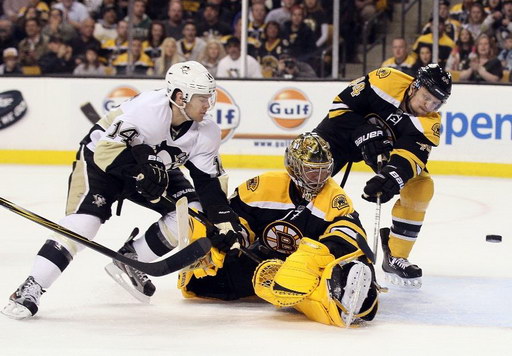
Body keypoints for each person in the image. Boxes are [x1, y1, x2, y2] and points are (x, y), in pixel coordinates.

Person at [2, 61, 244, 319]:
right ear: (179, 97)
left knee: (191, 212)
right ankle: (31, 287)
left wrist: (224, 223)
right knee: (84, 224)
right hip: (101, 162)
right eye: (202, 98)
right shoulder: (148, 110)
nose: (208, 104)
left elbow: (208, 183)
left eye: (210, 97)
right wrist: (139, 173)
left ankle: (130, 258)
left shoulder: (207, 131)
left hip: (154, 166)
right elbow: (107, 153)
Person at [178, 132, 379, 327]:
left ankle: (344, 295)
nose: (318, 178)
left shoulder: (334, 197)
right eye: (311, 170)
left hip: (308, 269)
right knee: (209, 280)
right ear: (294, 168)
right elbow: (238, 219)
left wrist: (312, 257)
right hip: (263, 261)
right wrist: (233, 236)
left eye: (324, 170)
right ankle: (201, 263)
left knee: (318, 282)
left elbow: (350, 233)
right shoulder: (265, 186)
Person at [313, 64, 452, 288]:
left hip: (380, 152)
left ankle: (396, 255)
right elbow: (341, 106)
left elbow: (410, 159)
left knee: (422, 186)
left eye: (436, 103)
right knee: (311, 160)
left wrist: (390, 179)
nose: (429, 106)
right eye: (426, 98)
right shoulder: (385, 80)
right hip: (343, 135)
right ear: (414, 86)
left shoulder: (430, 124)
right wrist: (361, 131)